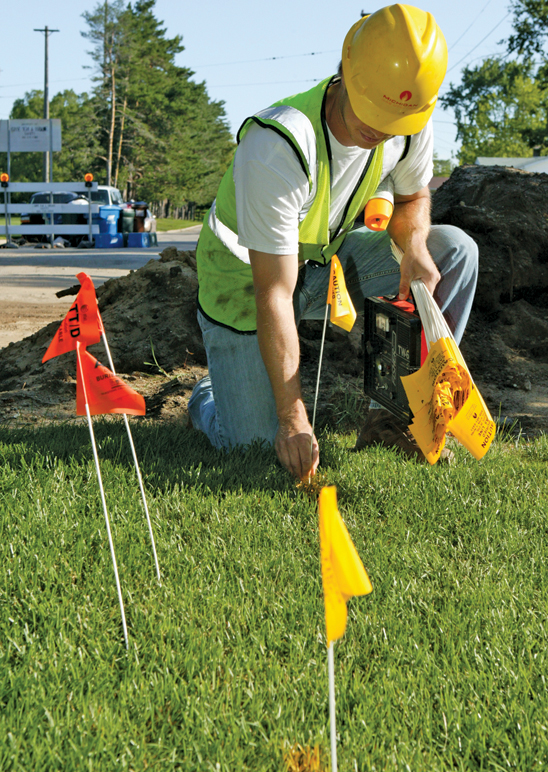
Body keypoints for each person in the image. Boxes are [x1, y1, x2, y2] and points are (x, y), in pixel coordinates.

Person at [188, 4, 478, 478]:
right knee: (256, 446)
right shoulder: (277, 146)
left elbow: (412, 197)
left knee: (455, 251)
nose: (381, 129)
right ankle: (207, 395)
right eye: (374, 110)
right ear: (346, 68)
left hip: (330, 262)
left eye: (394, 119)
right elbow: (274, 292)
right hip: (245, 282)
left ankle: (394, 417)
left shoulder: (408, 120)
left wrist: (416, 246)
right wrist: (291, 416)